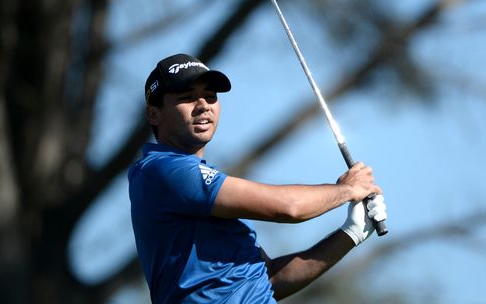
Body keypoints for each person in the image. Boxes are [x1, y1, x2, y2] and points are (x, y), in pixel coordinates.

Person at [128, 53, 387, 303]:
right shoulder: (163, 170)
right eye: (187, 98)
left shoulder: (190, 182)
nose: (203, 106)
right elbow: (289, 208)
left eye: (210, 97)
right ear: (154, 114)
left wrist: (350, 233)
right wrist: (346, 190)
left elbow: (270, 280)